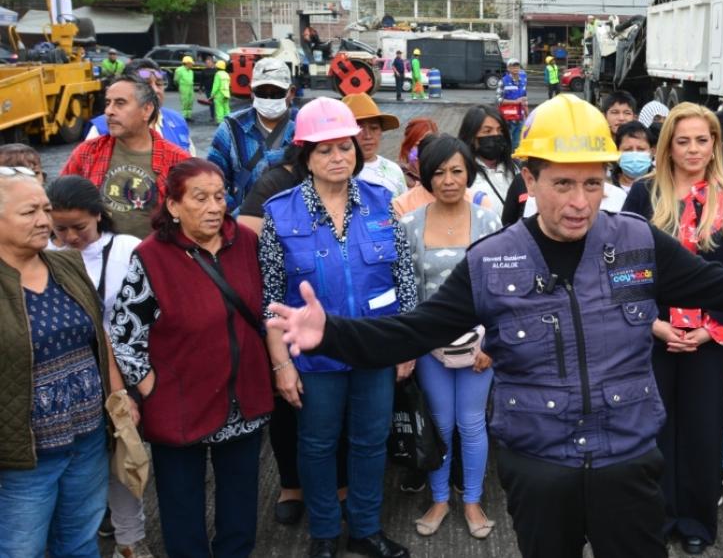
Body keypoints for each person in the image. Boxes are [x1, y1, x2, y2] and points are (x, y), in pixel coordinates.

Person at [266, 93, 723, 558]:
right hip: (540, 465)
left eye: (592, 182)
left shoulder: (638, 241)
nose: (580, 200)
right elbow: (411, 331)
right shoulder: (492, 260)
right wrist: (334, 334)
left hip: (629, 461)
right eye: (562, 183)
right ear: (529, 181)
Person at [259, 98, 418, 558]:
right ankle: (325, 534)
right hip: (315, 357)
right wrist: (281, 364)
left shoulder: (381, 203)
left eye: (345, 147)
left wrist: (405, 345)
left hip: (375, 349)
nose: (338, 157)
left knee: (371, 442)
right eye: (325, 150)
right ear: (305, 156)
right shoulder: (279, 213)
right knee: (317, 443)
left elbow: (403, 278)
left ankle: (366, 531)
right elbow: (270, 299)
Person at [107, 158, 272, 558]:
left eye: (220, 196)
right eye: (200, 198)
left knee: (240, 504)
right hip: (178, 403)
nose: (215, 206)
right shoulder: (152, 256)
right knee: (181, 508)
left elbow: (269, 308)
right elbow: (124, 333)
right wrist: (150, 386)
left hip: (243, 399)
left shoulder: (246, 243)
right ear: (174, 206)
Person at [621, 103, 723, 555]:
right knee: (653, 430)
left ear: (715, 143)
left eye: (703, 139)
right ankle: (655, 517)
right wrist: (653, 325)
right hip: (652, 334)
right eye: (683, 140)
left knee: (702, 430)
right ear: (668, 147)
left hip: (710, 338)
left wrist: (714, 329)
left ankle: (697, 519)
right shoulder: (643, 195)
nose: (694, 149)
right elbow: (623, 270)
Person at [0, 168, 126, 558]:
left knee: (80, 543)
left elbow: (98, 340)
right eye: (29, 212)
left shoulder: (67, 265)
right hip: (24, 455)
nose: (44, 220)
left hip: (87, 438)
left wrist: (120, 401)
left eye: (46, 209)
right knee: (21, 550)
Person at [398, 136, 501, 540]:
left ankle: (472, 501)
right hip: (429, 346)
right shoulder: (409, 224)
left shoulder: (489, 222)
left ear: (469, 173)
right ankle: (440, 498)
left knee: (472, 423)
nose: (449, 180)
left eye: (457, 170)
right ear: (426, 176)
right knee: (439, 424)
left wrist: (491, 343)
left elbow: (502, 289)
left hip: (479, 347)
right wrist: (412, 344)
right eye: (439, 172)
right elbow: (408, 291)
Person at [46, 176, 150, 558]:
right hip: (68, 375)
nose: (71, 237)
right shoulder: (41, 253)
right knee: (80, 468)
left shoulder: (127, 249)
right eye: (60, 230)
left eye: (80, 227)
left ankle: (130, 540)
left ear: (99, 216)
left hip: (119, 373)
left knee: (123, 459)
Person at [62, 73, 190, 239]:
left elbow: (192, 217)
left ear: (147, 110)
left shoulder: (177, 160)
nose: (109, 111)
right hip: (99, 259)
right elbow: (61, 201)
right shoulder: (87, 152)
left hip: (154, 259)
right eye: (108, 103)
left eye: (120, 103)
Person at [206, 57, 298, 214]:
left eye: (277, 93)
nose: (269, 99)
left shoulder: (304, 126)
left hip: (295, 228)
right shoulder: (231, 128)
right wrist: (235, 216)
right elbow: (212, 181)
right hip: (244, 227)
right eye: (262, 93)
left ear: (291, 92)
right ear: (251, 92)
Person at [89, 59, 194, 153]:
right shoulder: (102, 128)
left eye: (159, 84)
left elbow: (193, 166)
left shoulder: (177, 121)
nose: (155, 90)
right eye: (147, 84)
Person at [343, 93, 407, 197]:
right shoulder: (337, 173)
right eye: (359, 129)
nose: (368, 136)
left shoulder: (394, 170)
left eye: (374, 128)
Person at [458, 105, 519, 208]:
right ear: (472, 137)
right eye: (487, 131)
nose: (496, 135)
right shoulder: (463, 173)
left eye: (500, 130)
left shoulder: (515, 168)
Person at [613, 120, 654, 192]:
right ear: (617, 152)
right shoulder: (606, 187)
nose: (634, 154)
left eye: (641, 149)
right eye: (628, 149)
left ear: (651, 152)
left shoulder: (664, 185)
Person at [399, 117, 438, 191]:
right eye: (417, 144)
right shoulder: (397, 176)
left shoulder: (441, 178)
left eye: (427, 145)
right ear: (407, 146)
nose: (422, 151)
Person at [498, 59, 529, 147]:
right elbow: (499, 100)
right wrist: (515, 102)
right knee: (506, 141)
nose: (515, 68)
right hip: (507, 118)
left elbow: (524, 99)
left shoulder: (523, 81)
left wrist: (528, 115)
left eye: (517, 66)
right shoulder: (503, 81)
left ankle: (515, 159)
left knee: (517, 142)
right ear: (508, 68)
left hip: (520, 117)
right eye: (513, 66)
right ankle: (506, 159)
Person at [174, 56, 196, 121]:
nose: (192, 65)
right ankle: (184, 117)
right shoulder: (179, 70)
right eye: (191, 63)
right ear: (187, 63)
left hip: (190, 88)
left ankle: (188, 116)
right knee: (185, 102)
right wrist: (179, 86)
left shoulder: (191, 71)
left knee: (190, 102)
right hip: (184, 88)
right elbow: (176, 80)